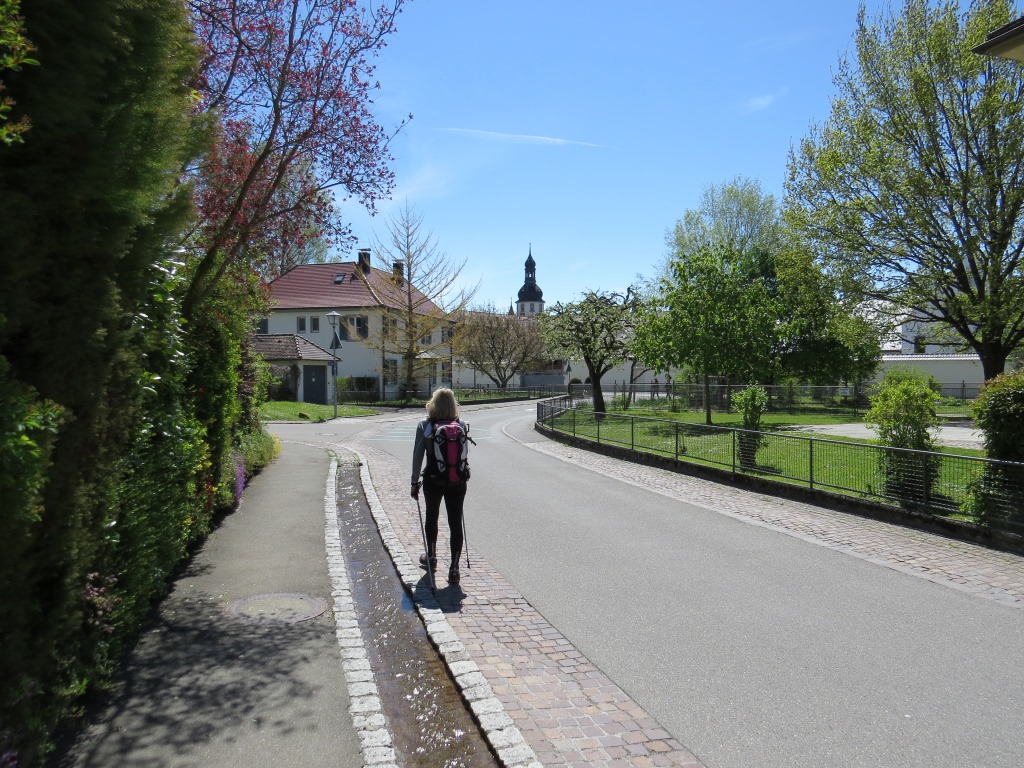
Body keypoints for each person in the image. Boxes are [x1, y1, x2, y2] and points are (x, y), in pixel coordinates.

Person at [411, 388, 469, 585]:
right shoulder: (461, 425)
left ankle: (432, 556)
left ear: (433, 403)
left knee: (432, 517)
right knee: (455, 522)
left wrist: (414, 482)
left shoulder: (425, 425)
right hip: (457, 481)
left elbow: (418, 455)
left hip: (433, 479)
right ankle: (454, 568)